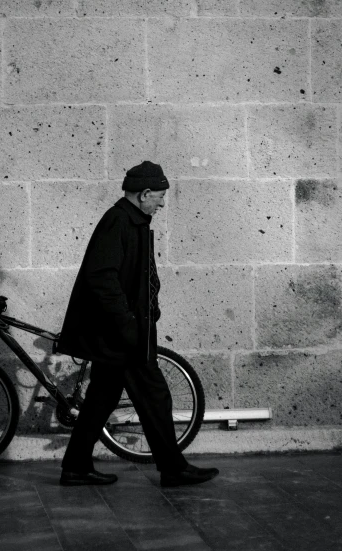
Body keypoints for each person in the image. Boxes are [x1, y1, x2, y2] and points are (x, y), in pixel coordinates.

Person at [56, 160, 219, 487]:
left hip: (123, 332)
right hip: (123, 335)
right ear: (144, 193)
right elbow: (101, 278)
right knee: (155, 395)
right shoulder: (119, 221)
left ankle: (75, 466)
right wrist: (129, 323)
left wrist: (149, 304)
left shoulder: (133, 220)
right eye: (159, 196)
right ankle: (173, 468)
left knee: (102, 397)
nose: (162, 202)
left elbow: (139, 275)